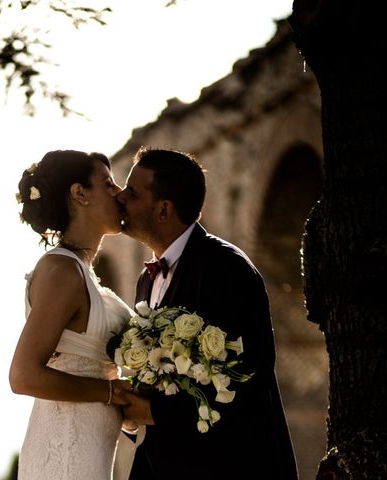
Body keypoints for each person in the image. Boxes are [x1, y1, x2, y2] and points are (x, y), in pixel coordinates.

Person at [115, 147, 299, 479]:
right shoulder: (147, 279)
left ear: (164, 209)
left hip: (226, 465)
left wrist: (153, 410)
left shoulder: (227, 269)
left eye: (132, 193)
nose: (120, 198)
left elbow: (246, 381)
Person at [9, 150, 135, 479]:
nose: (120, 192)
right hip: (64, 454)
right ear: (80, 194)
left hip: (86, 451)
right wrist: (111, 392)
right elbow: (23, 375)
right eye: (108, 184)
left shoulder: (79, 271)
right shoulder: (61, 270)